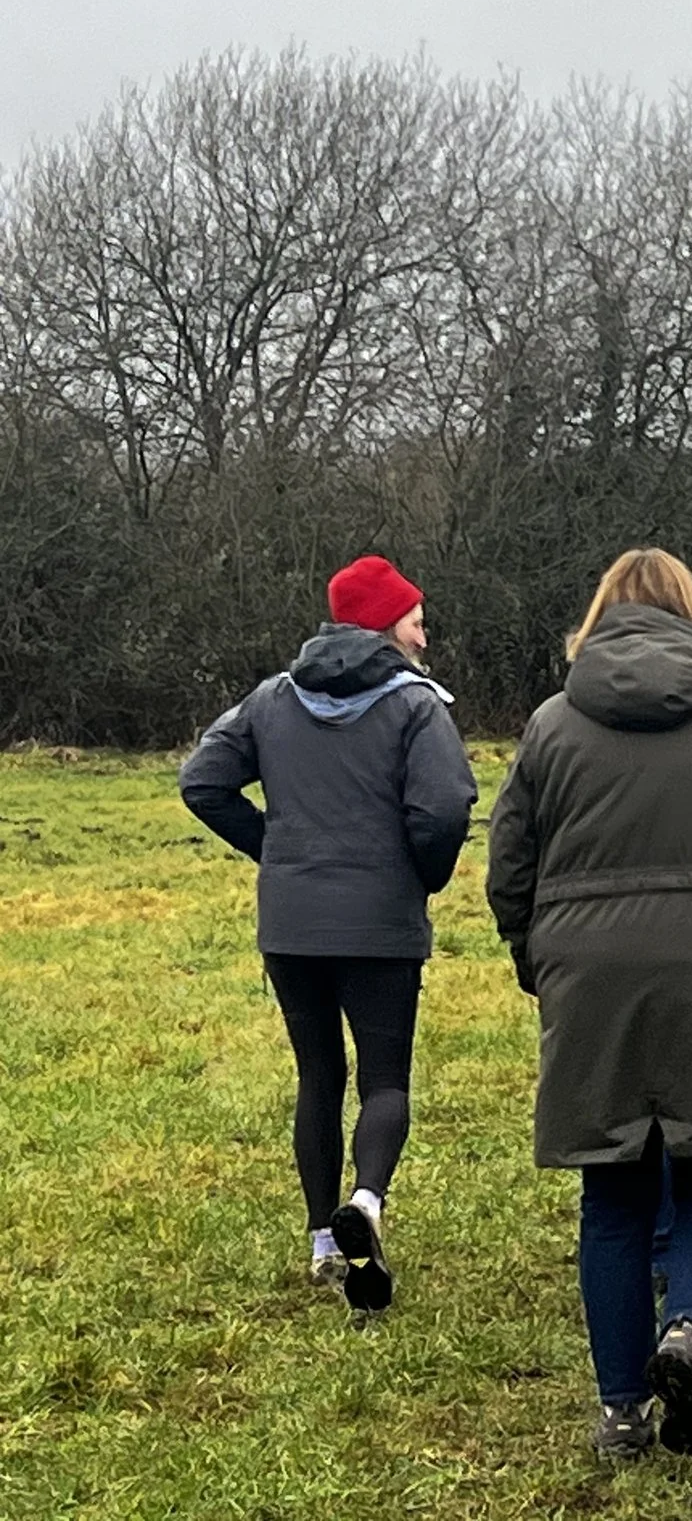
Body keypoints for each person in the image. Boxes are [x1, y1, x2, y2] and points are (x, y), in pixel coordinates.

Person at [486, 549, 692, 1462]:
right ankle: (691, 1332)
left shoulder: (554, 725)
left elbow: (508, 864)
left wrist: (538, 958)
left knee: (613, 1192)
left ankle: (624, 1411)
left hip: (591, 973)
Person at [180, 555, 476, 1313]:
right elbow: (443, 809)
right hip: (379, 923)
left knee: (318, 1074)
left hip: (291, 923)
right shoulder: (417, 707)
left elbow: (202, 780)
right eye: (414, 615)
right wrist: (421, 874)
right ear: (385, 626)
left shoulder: (275, 697)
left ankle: (321, 1237)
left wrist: (275, 847)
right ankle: (367, 1202)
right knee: (385, 1079)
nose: (424, 627)